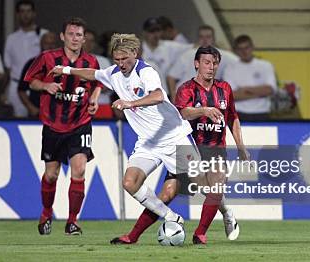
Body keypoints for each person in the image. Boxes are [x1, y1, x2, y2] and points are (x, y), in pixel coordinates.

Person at [48, 33, 196, 243]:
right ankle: (171, 218)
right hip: (148, 142)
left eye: (124, 59)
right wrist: (66, 70)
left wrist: (129, 103)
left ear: (135, 53)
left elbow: (158, 96)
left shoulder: (146, 72)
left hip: (173, 137)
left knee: (205, 186)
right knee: (130, 182)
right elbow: (94, 74)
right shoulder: (115, 73)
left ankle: (224, 218)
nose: (120, 64)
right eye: (116, 59)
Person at [103, 46, 249, 245]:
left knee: (215, 185)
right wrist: (203, 111)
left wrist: (241, 147)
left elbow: (233, 118)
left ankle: (200, 234)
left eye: (215, 63)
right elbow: (182, 113)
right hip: (186, 147)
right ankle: (133, 236)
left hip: (215, 148)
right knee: (167, 194)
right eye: (207, 62)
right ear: (196, 64)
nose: (211, 67)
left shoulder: (225, 89)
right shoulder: (186, 89)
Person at [23, 17, 102, 236]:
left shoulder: (91, 61)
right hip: (53, 124)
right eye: (71, 34)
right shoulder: (48, 58)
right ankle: (46, 213)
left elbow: (98, 84)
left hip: (80, 123)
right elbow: (31, 80)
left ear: (84, 39)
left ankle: (72, 221)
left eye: (79, 35)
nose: (75, 38)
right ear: (62, 36)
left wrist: (94, 99)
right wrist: (46, 85)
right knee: (51, 175)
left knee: (79, 170)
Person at [166, 25, 238, 102]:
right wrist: (173, 97)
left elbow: (239, 62)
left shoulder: (224, 55)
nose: (205, 40)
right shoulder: (188, 54)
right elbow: (171, 77)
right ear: (198, 39)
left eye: (208, 37)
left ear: (213, 39)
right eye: (201, 37)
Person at [3, 0, 49, 118]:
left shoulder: (44, 35)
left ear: (34, 13)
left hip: (39, 87)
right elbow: (8, 68)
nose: (25, 14)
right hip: (16, 84)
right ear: (17, 14)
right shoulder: (11, 38)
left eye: (28, 11)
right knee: (18, 120)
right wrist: (4, 90)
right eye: (22, 11)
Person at [224, 35, 277, 121]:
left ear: (252, 47)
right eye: (240, 49)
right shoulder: (230, 68)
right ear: (236, 51)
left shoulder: (265, 66)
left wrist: (245, 89)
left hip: (262, 113)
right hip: (238, 113)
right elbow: (232, 96)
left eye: (246, 48)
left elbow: (269, 90)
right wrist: (260, 93)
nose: (244, 52)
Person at [141, 17, 191, 100]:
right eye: (152, 31)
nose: (155, 34)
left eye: (158, 30)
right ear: (145, 33)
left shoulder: (168, 46)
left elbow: (191, 48)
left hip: (166, 93)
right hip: (148, 94)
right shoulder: (140, 49)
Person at [18, 32, 58, 118]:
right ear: (41, 45)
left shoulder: (65, 64)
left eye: (52, 44)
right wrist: (31, 108)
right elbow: (21, 90)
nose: (50, 46)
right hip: (36, 112)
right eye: (47, 43)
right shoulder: (32, 63)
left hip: (59, 114)